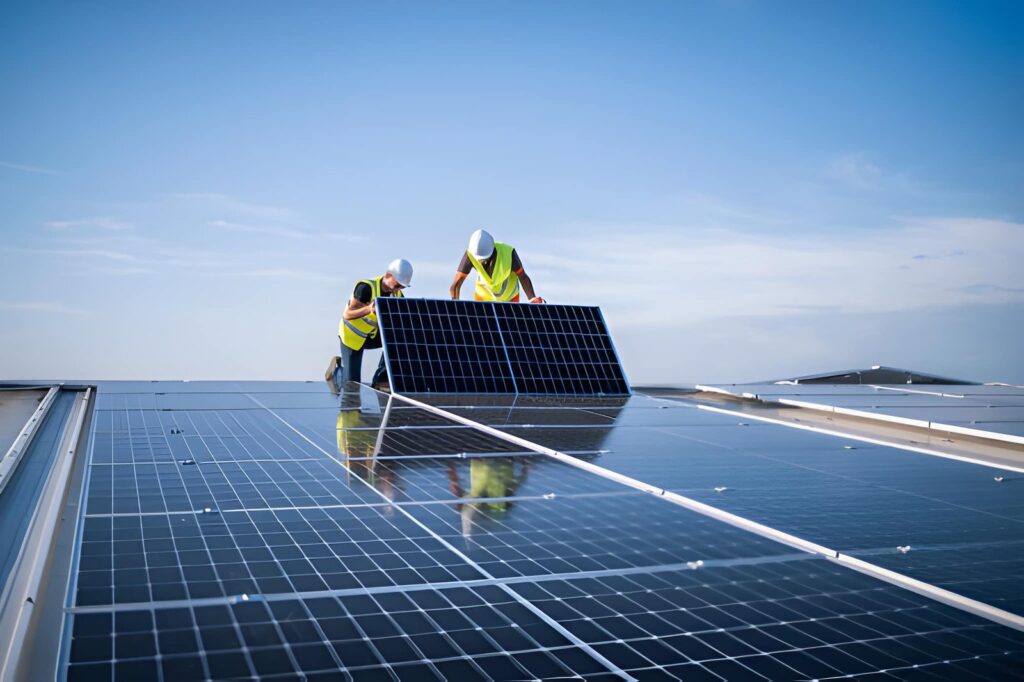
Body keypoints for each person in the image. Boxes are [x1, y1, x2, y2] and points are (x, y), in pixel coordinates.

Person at [325, 258, 412, 388]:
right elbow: (347, 314)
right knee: (352, 384)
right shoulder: (366, 288)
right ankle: (337, 371)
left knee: (401, 338)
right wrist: (369, 309)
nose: (398, 289)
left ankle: (380, 379)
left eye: (402, 287)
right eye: (397, 285)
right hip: (352, 338)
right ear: (388, 276)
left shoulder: (397, 295)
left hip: (372, 336)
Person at [449, 229, 544, 303]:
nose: (482, 261)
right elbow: (456, 284)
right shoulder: (470, 255)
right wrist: (455, 306)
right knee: (482, 326)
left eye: (484, 259)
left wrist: (532, 298)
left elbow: (522, 276)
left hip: (510, 297)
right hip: (483, 297)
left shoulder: (508, 253)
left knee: (509, 327)